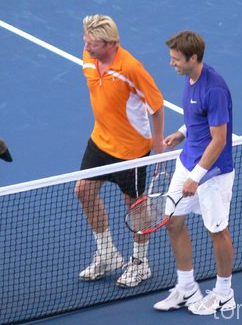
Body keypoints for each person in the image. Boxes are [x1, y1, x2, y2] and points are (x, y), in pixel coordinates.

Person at [75, 15, 165, 288]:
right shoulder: (89, 57)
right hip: (100, 141)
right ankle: (108, 254)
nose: (86, 46)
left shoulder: (131, 68)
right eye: (85, 40)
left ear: (110, 43)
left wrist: (158, 142)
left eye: (92, 43)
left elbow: (157, 105)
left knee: (135, 206)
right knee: (83, 191)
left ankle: (140, 263)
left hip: (131, 150)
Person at [154, 30, 236, 315]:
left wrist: (196, 176)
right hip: (187, 163)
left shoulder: (214, 89)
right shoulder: (190, 80)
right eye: (172, 58)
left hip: (213, 173)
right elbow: (197, 120)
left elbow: (220, 139)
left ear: (194, 58)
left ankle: (225, 294)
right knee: (173, 222)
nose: (171, 63)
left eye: (176, 59)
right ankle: (187, 288)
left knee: (217, 231)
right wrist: (180, 133)